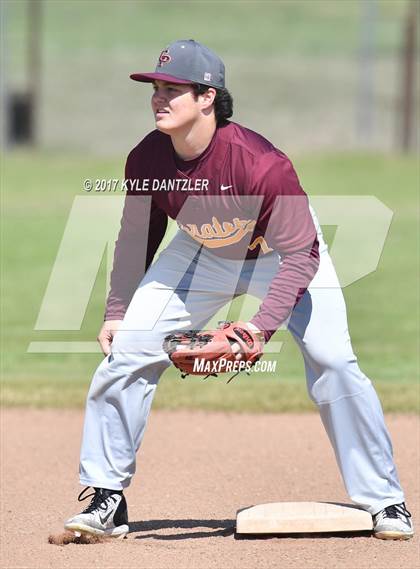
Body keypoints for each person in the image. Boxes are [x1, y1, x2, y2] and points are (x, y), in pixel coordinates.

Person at [64, 40, 413, 540]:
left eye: (173, 89)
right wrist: (117, 309)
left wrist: (256, 328)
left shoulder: (262, 164)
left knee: (333, 360)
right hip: (202, 250)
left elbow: (302, 256)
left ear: (208, 97)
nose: (159, 99)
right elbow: (136, 236)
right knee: (127, 352)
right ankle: (106, 499)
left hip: (283, 254)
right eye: (156, 89)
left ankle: (386, 501)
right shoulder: (145, 158)